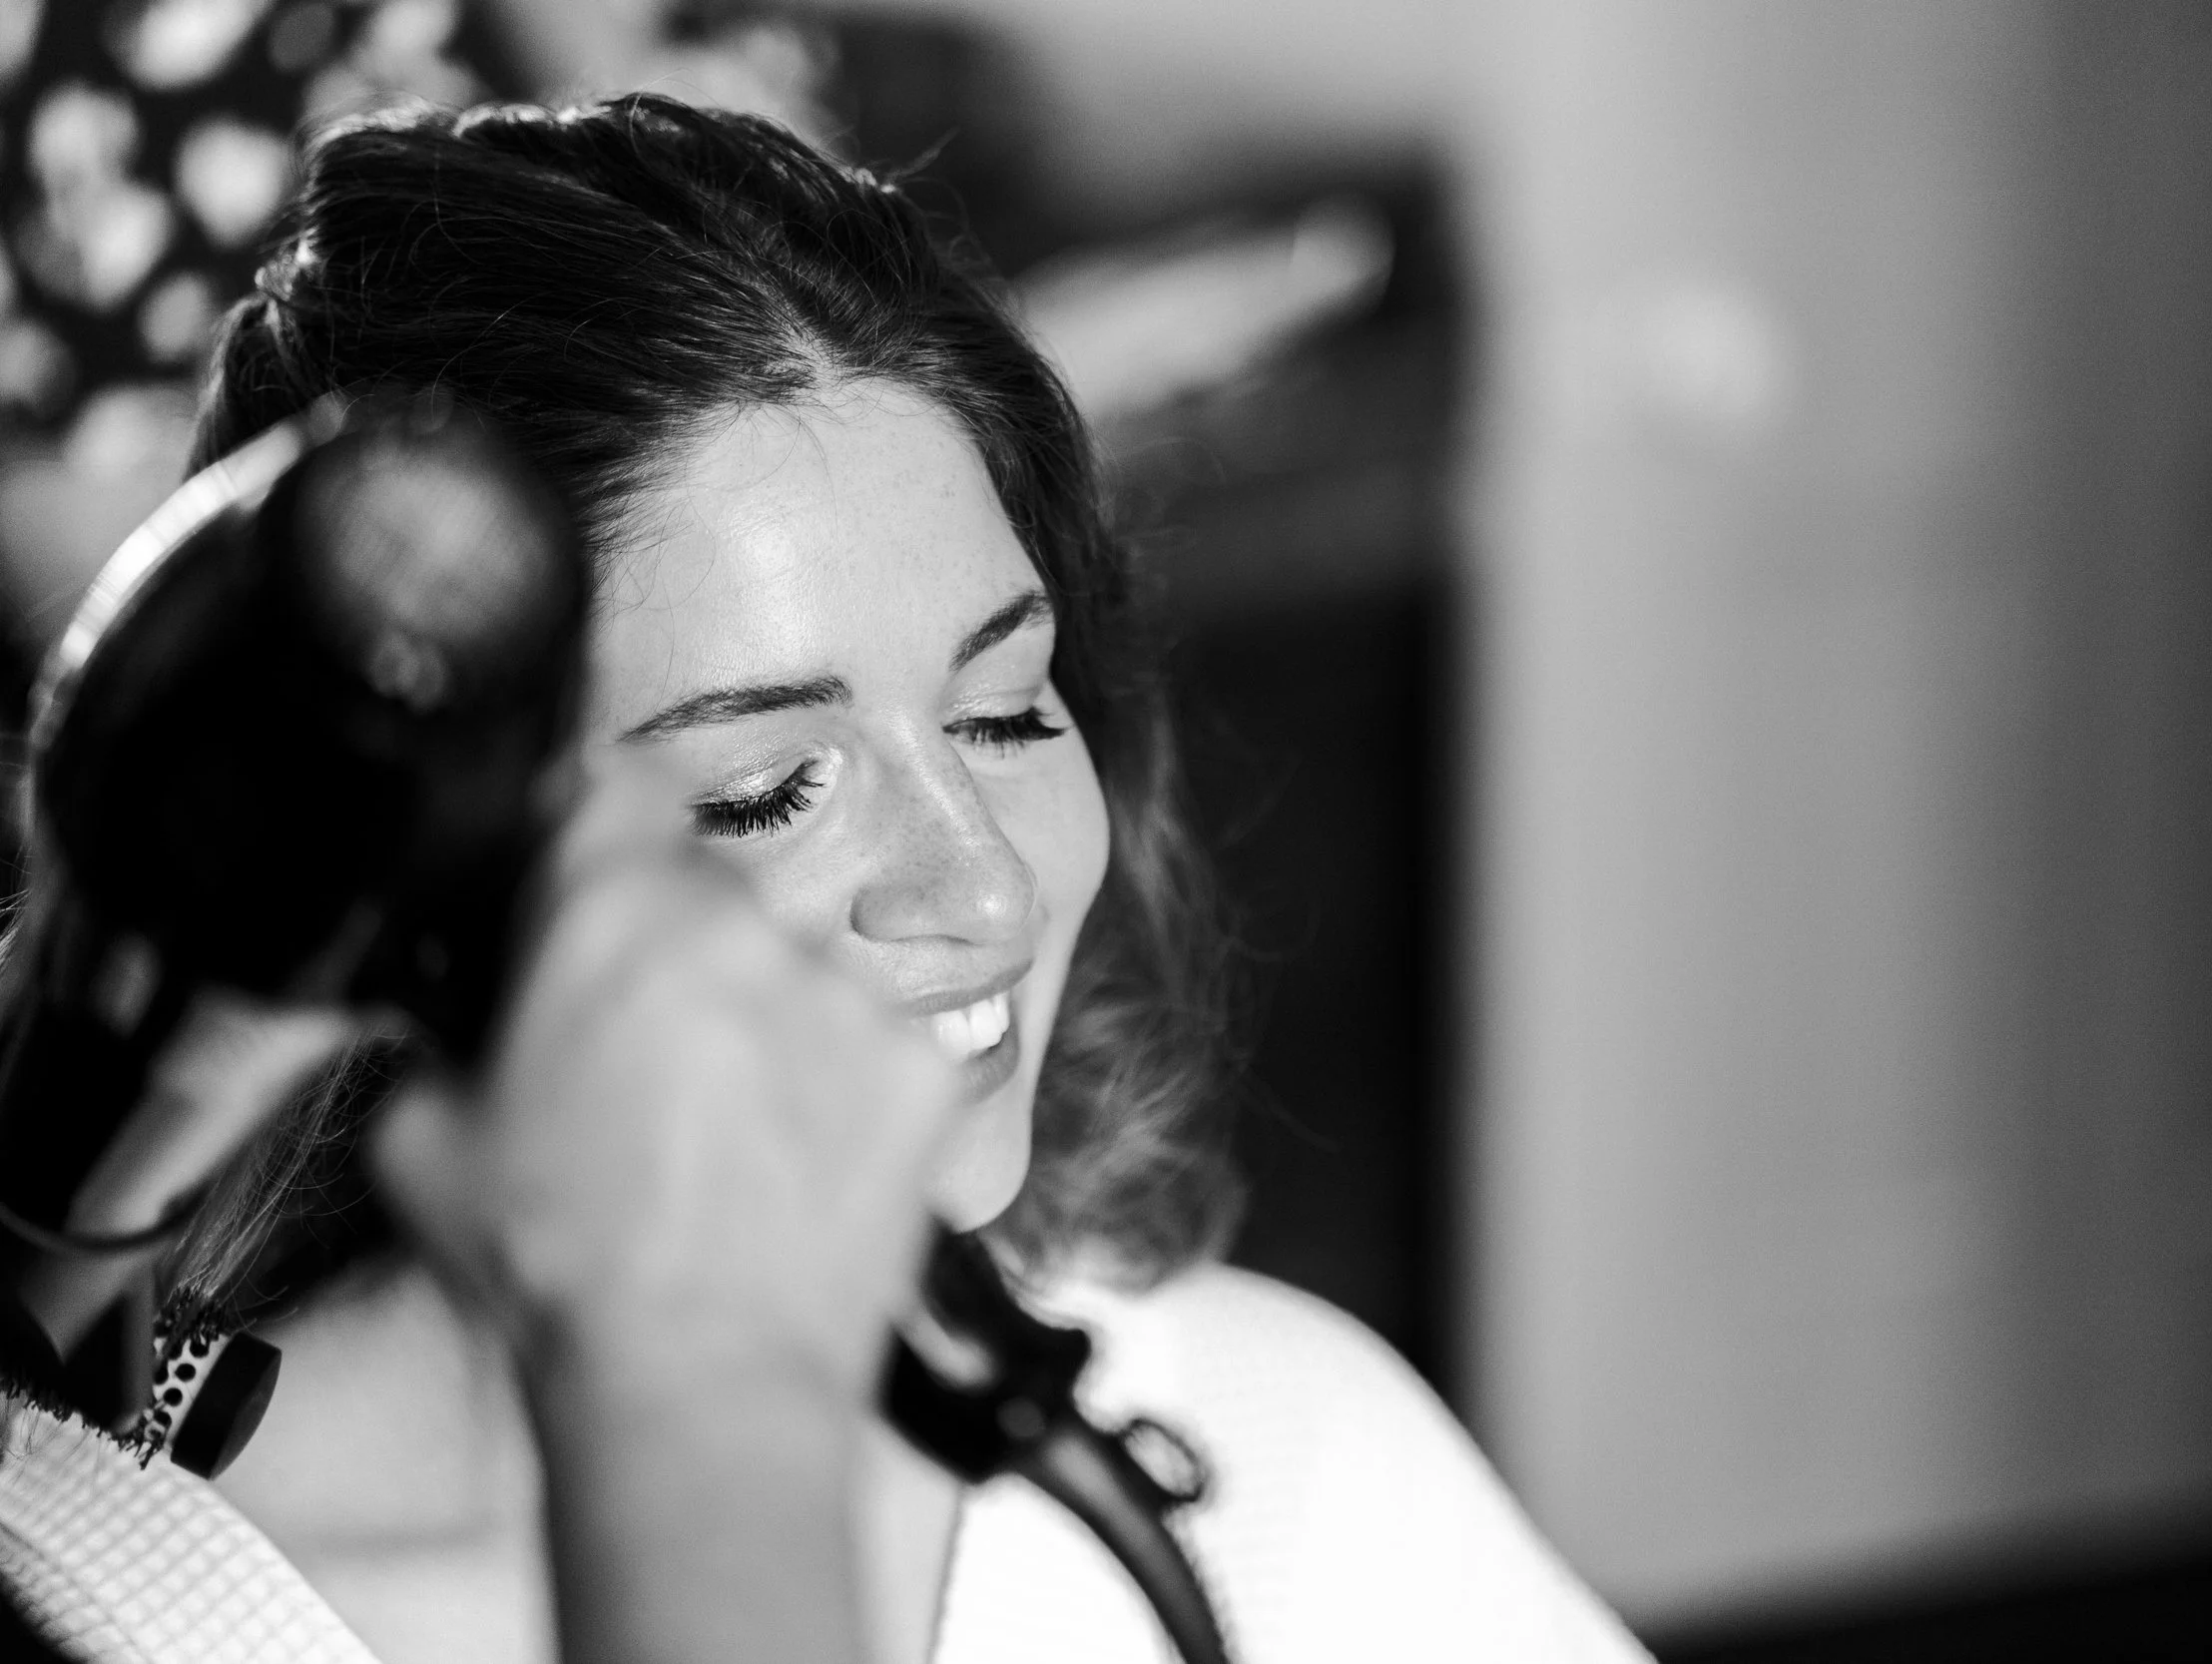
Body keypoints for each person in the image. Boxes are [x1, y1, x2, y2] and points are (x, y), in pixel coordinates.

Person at [1, 93, 1646, 1664]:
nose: (985, 888)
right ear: (380, 894)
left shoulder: (1282, 1459)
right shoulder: (78, 1593)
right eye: (767, 790)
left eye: (1005, 711)